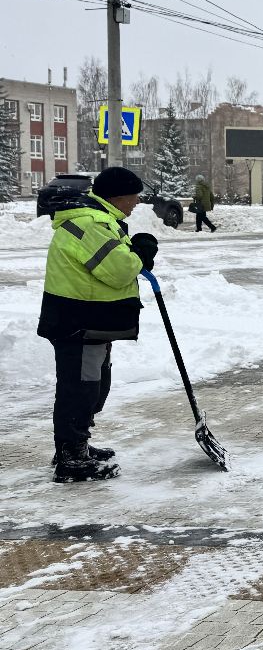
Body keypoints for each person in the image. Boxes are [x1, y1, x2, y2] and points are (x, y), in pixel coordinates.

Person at [36, 166, 157, 482]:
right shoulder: (88, 225)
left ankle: (77, 445)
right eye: (134, 197)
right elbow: (118, 271)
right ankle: (71, 457)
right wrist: (140, 255)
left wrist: (135, 252)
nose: (136, 203)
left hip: (88, 320)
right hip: (80, 322)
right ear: (118, 196)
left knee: (93, 385)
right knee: (81, 388)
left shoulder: (98, 221)